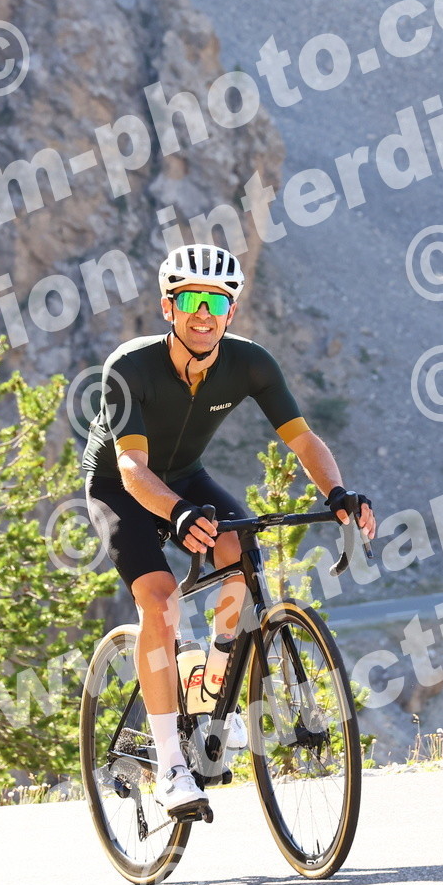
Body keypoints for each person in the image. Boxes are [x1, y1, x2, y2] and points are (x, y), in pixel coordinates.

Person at [81, 243, 376, 817]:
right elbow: (133, 468)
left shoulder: (250, 363)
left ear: (231, 312)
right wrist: (177, 513)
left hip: (186, 476)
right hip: (121, 485)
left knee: (239, 551)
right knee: (160, 602)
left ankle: (214, 684)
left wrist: (337, 494)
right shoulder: (130, 367)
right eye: (190, 299)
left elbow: (303, 440)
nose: (203, 313)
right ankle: (171, 767)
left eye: (216, 302)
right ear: (168, 307)